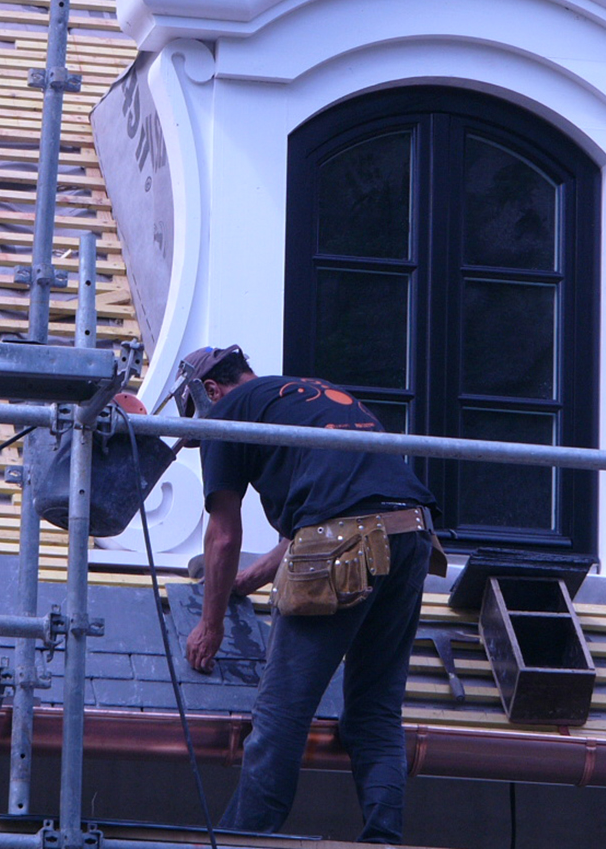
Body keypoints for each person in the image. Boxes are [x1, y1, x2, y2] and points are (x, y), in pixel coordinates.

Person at [177, 345, 442, 845]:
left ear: (210, 391)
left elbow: (224, 536)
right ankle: (383, 838)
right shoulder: (304, 397)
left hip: (342, 538)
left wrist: (211, 625)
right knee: (374, 712)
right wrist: (242, 584)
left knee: (279, 716)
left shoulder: (227, 412)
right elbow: (316, 526)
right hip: (413, 534)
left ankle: (242, 839)